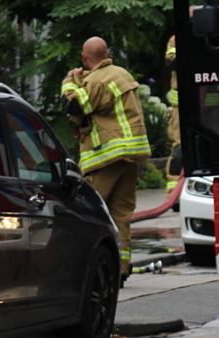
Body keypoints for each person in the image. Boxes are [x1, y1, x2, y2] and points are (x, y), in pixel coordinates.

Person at [60, 37, 151, 281]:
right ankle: (120, 269)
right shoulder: (121, 73)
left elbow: (74, 107)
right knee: (120, 216)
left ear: (84, 57)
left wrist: (70, 81)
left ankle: (87, 272)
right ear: (107, 53)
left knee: (90, 212)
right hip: (130, 157)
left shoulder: (97, 80)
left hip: (106, 157)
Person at [164, 35, 182, 198]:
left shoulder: (215, 35)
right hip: (182, 106)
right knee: (180, 148)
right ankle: (173, 192)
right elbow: (171, 61)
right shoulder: (176, 39)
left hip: (213, 107)